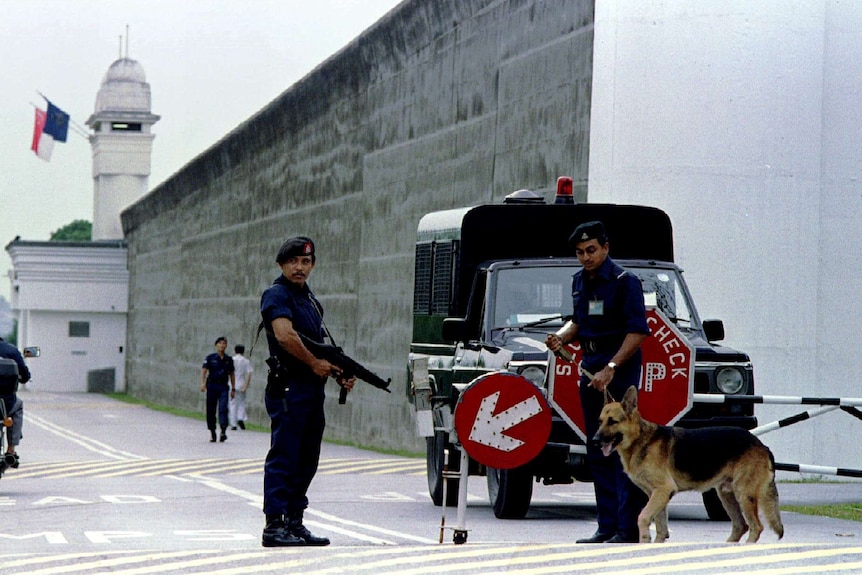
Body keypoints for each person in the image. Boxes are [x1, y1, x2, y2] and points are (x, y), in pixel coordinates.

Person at [545, 220, 650, 544]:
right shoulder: (580, 281)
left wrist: (612, 367)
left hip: (617, 368)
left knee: (623, 448)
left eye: (591, 250)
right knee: (599, 447)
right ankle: (606, 526)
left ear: (605, 247)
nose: (586, 257)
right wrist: (561, 338)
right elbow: (579, 322)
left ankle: (627, 528)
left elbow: (638, 331)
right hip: (590, 367)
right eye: (580, 252)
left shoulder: (624, 281)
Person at [259, 236, 355, 547]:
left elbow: (319, 346)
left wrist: (338, 372)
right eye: (293, 262)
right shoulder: (276, 295)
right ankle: (274, 525)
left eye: (305, 262)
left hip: (312, 391)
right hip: (289, 387)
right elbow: (284, 336)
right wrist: (315, 363)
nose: (299, 267)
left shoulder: (311, 301)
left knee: (307, 458)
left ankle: (295, 521)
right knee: (285, 456)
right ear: (281, 264)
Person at [0, 337, 31, 469]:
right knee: (18, 407)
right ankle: (11, 449)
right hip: (5, 404)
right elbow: (24, 375)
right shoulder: (11, 350)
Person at [200, 336, 235, 443]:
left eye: (224, 343)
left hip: (223, 386)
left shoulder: (229, 360)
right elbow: (204, 370)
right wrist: (202, 383)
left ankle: (223, 431)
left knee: (223, 408)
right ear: (216, 345)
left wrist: (233, 388)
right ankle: (212, 432)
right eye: (220, 343)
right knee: (211, 409)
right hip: (212, 386)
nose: (222, 345)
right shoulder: (210, 358)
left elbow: (232, 374)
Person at [229, 344, 253, 430]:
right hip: (242, 383)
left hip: (232, 384)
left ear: (235, 351)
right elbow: (249, 373)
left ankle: (233, 423)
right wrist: (246, 386)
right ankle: (240, 418)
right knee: (242, 403)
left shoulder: (231, 360)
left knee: (232, 403)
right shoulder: (246, 361)